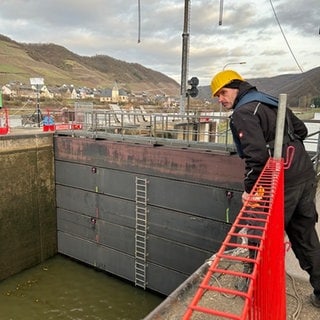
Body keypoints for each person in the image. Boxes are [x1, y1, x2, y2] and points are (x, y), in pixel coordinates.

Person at [210, 69, 320, 308]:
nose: (220, 99)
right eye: (217, 96)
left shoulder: (243, 112)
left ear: (237, 87)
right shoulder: (269, 101)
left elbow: (256, 158)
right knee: (305, 236)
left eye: (223, 93)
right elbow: (301, 131)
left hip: (281, 181)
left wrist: (250, 190)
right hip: (303, 173)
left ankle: (255, 289)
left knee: (259, 234)